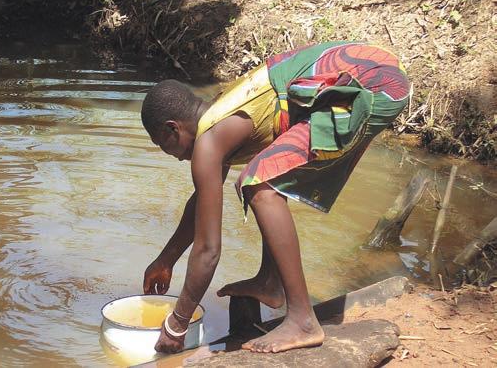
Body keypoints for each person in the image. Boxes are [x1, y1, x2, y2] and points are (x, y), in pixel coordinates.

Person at [140, 41, 410, 354]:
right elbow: (202, 201)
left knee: (258, 183)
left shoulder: (209, 142)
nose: (172, 157)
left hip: (375, 83)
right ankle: (270, 283)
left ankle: (302, 320)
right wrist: (166, 259)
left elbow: (209, 249)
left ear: (173, 130)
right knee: (264, 175)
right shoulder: (218, 119)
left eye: (164, 146)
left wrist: (177, 323)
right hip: (377, 72)